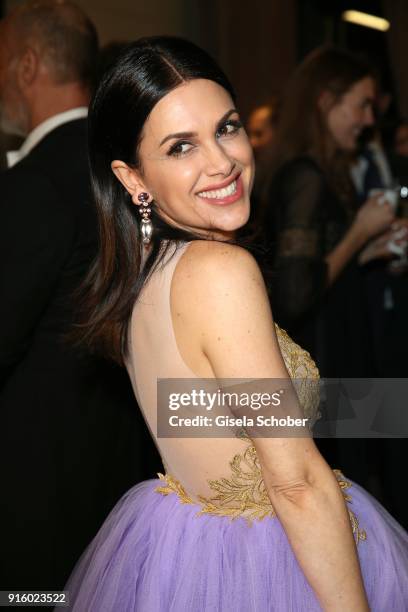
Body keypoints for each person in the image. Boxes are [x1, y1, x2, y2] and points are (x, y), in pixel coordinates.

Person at [65, 37, 408, 611]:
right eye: (181, 147)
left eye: (226, 127)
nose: (222, 161)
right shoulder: (220, 270)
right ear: (131, 178)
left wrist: (388, 408)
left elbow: (203, 412)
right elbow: (294, 480)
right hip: (269, 566)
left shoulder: (146, 270)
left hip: (188, 558)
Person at [0, 1, 160, 591]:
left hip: (35, 492)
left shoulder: (33, 185)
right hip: (122, 474)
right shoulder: (126, 172)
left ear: (26, 65)